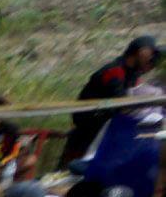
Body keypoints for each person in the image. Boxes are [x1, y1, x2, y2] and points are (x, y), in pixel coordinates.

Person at [67, 37, 162, 168]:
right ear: (141, 52)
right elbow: (122, 105)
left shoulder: (132, 75)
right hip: (91, 128)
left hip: (108, 127)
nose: (152, 63)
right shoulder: (114, 71)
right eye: (151, 57)